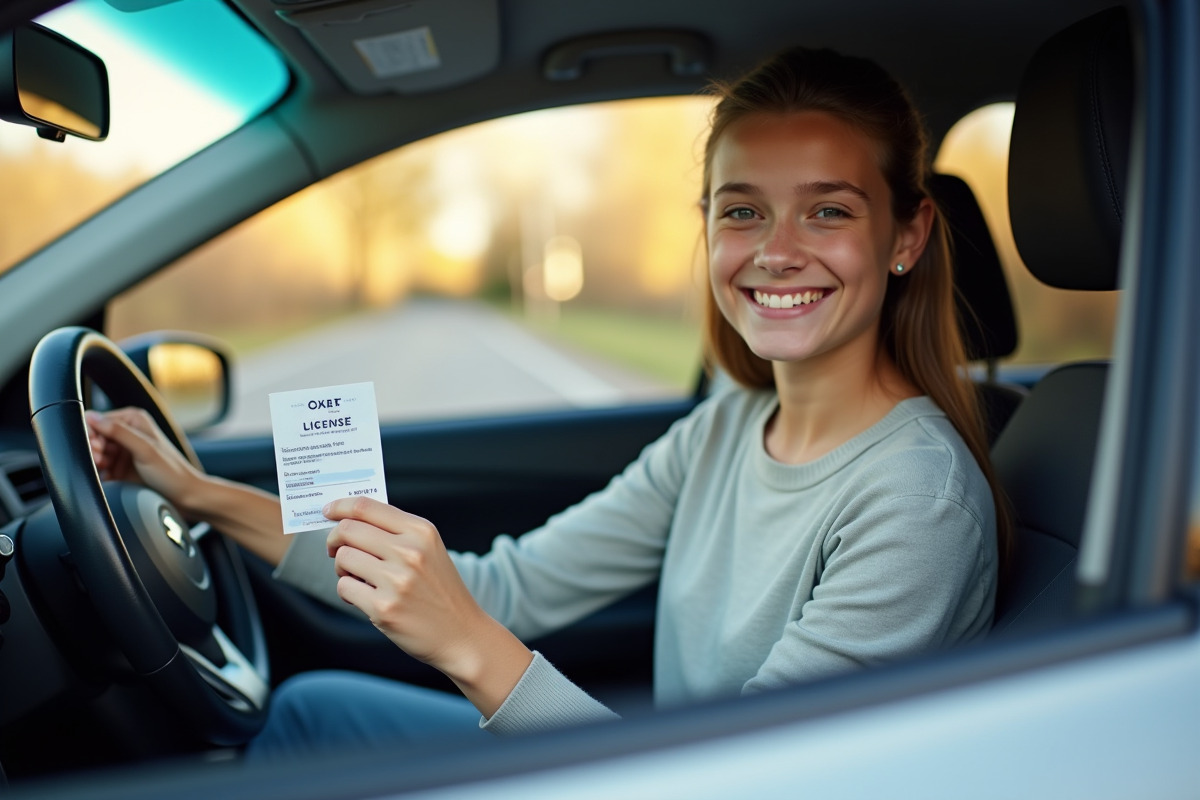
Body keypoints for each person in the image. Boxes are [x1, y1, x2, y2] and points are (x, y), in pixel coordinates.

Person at [86, 46, 1009, 758]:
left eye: (829, 210)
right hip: (662, 764)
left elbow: (745, 776)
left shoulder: (916, 502)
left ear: (907, 234)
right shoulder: (729, 423)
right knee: (311, 711)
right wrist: (196, 493)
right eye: (741, 210)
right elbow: (506, 589)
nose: (775, 250)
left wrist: (466, 642)